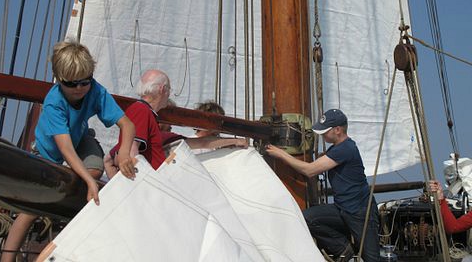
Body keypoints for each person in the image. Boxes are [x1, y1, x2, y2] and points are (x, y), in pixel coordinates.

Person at [1, 41, 136, 262]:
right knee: (30, 210)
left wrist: (124, 153)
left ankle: (69, 200)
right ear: (58, 79)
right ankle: (7, 259)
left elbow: (127, 124)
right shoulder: (54, 102)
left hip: (80, 138)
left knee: (93, 170)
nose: (80, 89)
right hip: (50, 150)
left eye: (85, 82)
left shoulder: (96, 90)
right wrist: (90, 183)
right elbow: (64, 149)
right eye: (72, 84)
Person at [266, 109, 379, 262]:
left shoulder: (345, 149)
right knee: (307, 218)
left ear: (338, 130)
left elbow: (310, 170)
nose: (322, 135)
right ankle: (342, 248)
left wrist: (281, 154)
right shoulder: (338, 149)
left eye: (325, 131)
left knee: (371, 258)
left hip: (360, 212)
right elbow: (320, 162)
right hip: (342, 208)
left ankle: (345, 249)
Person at [105, 72, 248, 178]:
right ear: (162, 89)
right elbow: (132, 150)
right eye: (169, 90)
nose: (169, 94)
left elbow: (200, 142)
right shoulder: (141, 110)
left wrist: (234, 141)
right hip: (150, 185)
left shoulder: (145, 113)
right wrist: (142, 183)